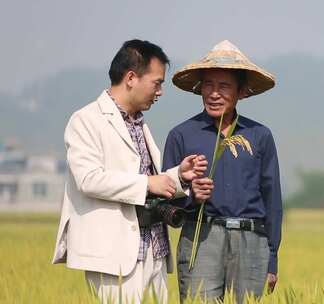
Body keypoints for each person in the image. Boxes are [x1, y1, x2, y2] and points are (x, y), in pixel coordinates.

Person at [51, 39, 210, 304]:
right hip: (116, 256)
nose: (159, 92)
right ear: (131, 77)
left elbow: (149, 181)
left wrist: (179, 176)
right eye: (157, 83)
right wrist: (148, 183)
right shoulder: (86, 120)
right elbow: (88, 179)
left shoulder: (139, 123)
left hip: (155, 249)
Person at [163, 40, 283, 302]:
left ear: (241, 92)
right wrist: (192, 195)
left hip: (252, 241)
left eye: (224, 86)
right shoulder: (181, 135)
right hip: (201, 238)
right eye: (208, 85)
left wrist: (272, 258)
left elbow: (272, 199)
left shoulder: (260, 136)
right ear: (199, 88)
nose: (214, 94)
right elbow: (166, 198)